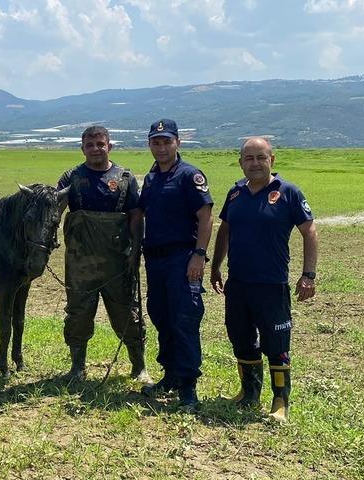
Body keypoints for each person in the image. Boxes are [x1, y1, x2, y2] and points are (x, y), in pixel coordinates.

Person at [210, 136, 318, 423]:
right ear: (241, 162)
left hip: (272, 285)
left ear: (272, 160)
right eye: (249, 158)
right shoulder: (235, 193)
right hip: (239, 284)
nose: (255, 163)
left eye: (261, 157)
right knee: (241, 338)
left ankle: (280, 402)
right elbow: (225, 230)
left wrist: (308, 275)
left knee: (276, 344)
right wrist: (216, 266)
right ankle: (248, 394)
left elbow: (309, 232)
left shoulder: (288, 192)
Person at [56, 126, 152, 385]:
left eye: (100, 143)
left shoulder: (124, 178)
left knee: (127, 314)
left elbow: (135, 216)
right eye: (90, 144)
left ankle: (139, 366)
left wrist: (136, 250)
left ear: (110, 146)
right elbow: (56, 209)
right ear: (82, 148)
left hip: (118, 262)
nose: (95, 148)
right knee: (78, 314)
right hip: (80, 263)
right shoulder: (71, 178)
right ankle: (77, 367)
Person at [132, 119, 213, 411]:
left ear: (178, 142)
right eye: (156, 142)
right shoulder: (152, 178)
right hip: (155, 260)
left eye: (167, 141)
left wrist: (199, 254)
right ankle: (170, 376)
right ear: (150, 145)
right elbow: (140, 212)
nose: (161, 147)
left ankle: (189, 387)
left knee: (184, 320)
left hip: (183, 259)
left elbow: (206, 217)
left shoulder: (190, 175)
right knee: (161, 317)